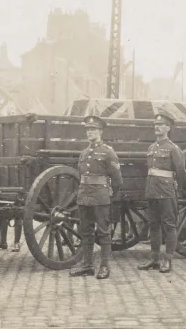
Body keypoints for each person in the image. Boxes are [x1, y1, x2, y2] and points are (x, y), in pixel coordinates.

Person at [69, 116, 122, 279]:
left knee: (103, 232)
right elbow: (81, 175)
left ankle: (105, 266)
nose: (89, 132)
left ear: (100, 131)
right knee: (86, 231)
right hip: (84, 196)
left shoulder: (108, 152)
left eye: (93, 129)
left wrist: (109, 196)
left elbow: (117, 179)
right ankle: (87, 264)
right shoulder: (84, 153)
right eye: (87, 130)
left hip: (100, 196)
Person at [137, 113, 186, 273]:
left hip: (166, 192)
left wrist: (175, 188)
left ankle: (168, 260)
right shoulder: (151, 148)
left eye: (161, 124)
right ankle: (154, 258)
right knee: (154, 226)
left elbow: (181, 173)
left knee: (169, 226)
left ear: (168, 127)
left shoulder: (173, 149)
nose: (157, 127)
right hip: (152, 192)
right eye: (155, 124)